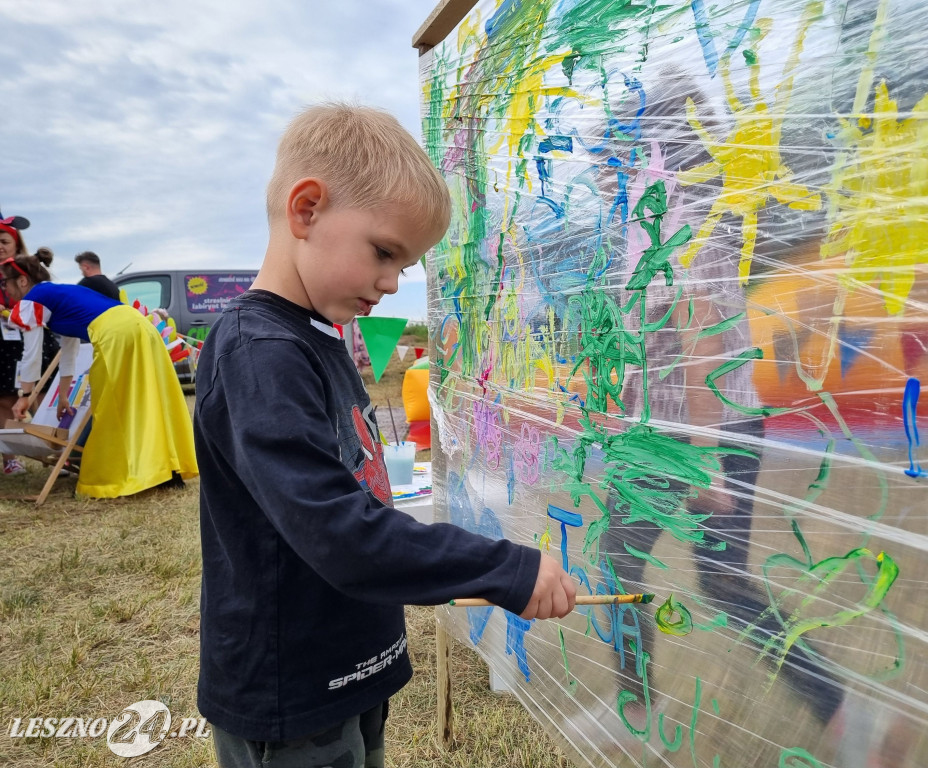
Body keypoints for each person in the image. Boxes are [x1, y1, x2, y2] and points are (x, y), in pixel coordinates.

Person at [192, 102, 576, 768]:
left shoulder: (316, 336)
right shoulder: (258, 353)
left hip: (350, 668)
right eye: (384, 252)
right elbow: (340, 534)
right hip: (291, 691)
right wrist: (502, 569)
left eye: (407, 264)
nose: (393, 283)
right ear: (306, 210)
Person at [0, 250, 198, 497]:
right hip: (140, 326)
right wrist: (64, 396)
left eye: (4, 282)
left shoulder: (34, 299)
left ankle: (124, 476)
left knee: (112, 407)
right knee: (149, 400)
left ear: (21, 281)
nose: (3, 288)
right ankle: (168, 470)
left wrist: (25, 395)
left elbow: (32, 354)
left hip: (116, 333)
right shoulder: (58, 294)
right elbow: (69, 352)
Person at [0, 211, 60, 476]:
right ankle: (10, 458)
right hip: (3, 347)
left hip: (34, 339)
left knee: (44, 396)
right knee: (5, 400)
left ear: (15, 243)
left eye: (3, 241)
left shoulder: (27, 268)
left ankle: (60, 454)